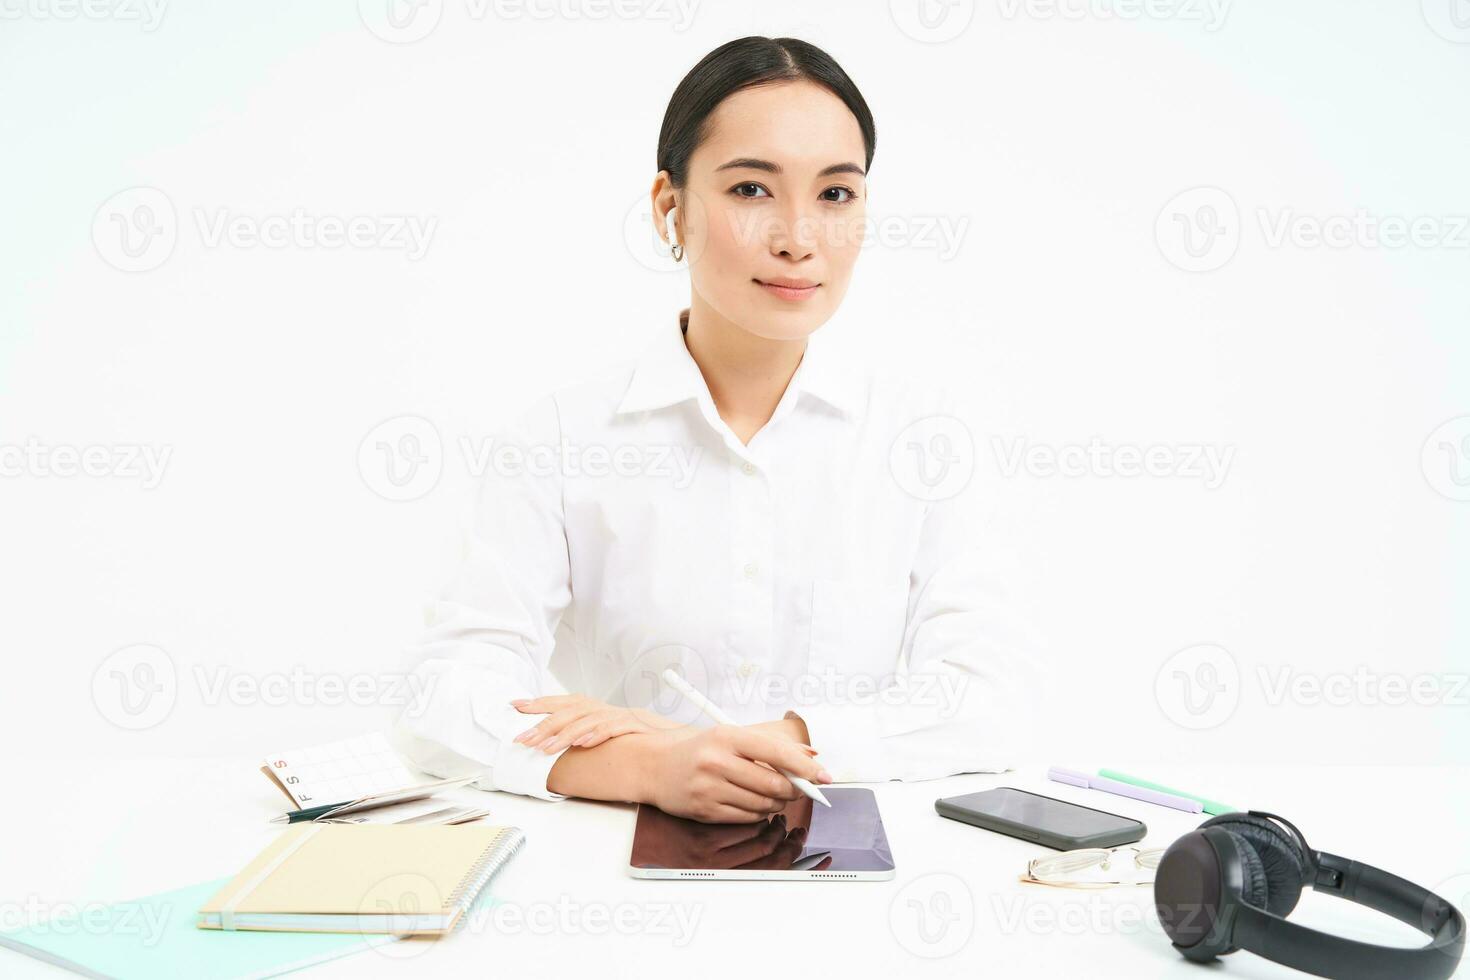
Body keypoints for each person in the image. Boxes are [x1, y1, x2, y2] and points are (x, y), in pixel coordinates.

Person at [394, 35, 1028, 825]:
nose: (799, 237)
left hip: (849, 871)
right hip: (607, 872)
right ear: (670, 208)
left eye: (836, 195)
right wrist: (651, 765)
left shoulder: (922, 442)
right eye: (752, 190)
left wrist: (746, 741)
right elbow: (445, 695)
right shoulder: (562, 436)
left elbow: (989, 699)